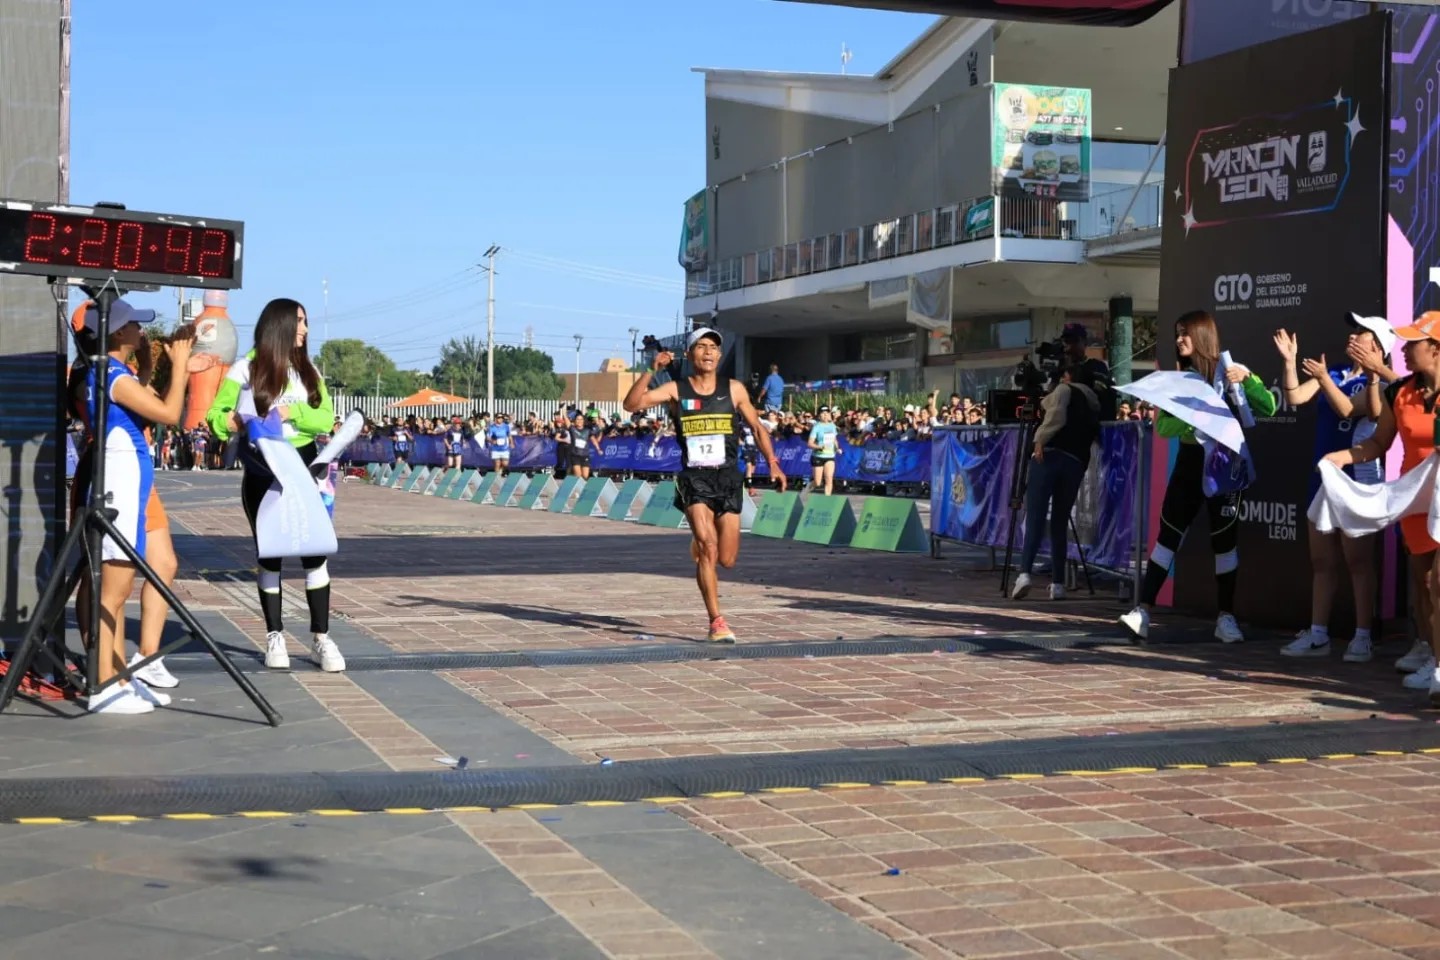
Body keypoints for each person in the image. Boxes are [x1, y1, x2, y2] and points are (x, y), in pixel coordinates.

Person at [1119, 311, 1278, 643]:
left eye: (1185, 333)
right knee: (1169, 536)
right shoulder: (1181, 380)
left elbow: (1268, 408)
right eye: (1177, 333)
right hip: (1190, 463)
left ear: (1203, 335)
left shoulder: (1232, 369)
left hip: (1225, 464)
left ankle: (1226, 618)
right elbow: (1163, 427)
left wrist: (1246, 380)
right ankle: (1143, 611)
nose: (1179, 339)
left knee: (1225, 542)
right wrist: (1196, 419)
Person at [207, 298, 345, 673]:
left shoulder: (308, 370)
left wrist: (289, 411)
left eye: (305, 321)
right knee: (269, 554)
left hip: (303, 465)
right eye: (299, 321)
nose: (304, 329)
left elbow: (325, 418)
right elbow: (215, 416)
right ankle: (275, 635)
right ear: (279, 324)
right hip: (262, 468)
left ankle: (321, 637)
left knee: (314, 552)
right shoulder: (244, 369)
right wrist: (238, 420)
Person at [623, 328, 785, 642]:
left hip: (727, 477)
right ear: (690, 354)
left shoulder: (734, 389)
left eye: (713, 347)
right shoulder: (675, 389)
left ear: (719, 356)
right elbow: (631, 404)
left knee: (727, 558)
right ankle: (717, 621)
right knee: (709, 550)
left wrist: (773, 464)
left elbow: (757, 427)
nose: (708, 352)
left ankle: (700, 542)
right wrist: (650, 369)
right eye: (701, 347)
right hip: (694, 477)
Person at [79, 300, 194, 714]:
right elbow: (169, 412)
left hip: (129, 481)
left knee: (120, 585)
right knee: (113, 588)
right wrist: (178, 365)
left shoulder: (118, 373)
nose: (141, 333)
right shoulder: (111, 375)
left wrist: (157, 364)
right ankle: (105, 684)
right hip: (119, 483)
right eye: (134, 328)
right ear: (115, 332)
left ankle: (118, 675)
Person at [1322, 312, 1440, 696]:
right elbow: (1377, 444)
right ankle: (1433, 656)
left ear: (1436, 350)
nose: (1404, 350)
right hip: (1414, 496)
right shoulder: (1400, 392)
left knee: (1438, 582)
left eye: (1413, 344)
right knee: (1423, 583)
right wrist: (1343, 457)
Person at [1273, 316, 1394, 662]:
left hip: (1358, 476)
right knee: (1321, 559)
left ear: (1378, 347)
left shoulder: (1381, 383)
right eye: (1352, 332)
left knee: (1358, 560)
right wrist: (1289, 363)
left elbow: (1350, 408)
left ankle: (1362, 636)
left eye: (1362, 333)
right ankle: (1318, 634)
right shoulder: (1337, 371)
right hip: (1322, 476)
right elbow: (1295, 396)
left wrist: (1325, 378)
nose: (1353, 336)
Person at [1012, 362, 1101, 602]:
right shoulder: (1094, 402)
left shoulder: (1065, 390)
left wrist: (1039, 440)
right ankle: (1058, 583)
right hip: (1075, 463)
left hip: (1049, 456)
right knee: (1060, 523)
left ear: (1069, 376)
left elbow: (1055, 415)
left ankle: (1024, 574)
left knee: (1036, 518)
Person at [807, 407, 841, 495]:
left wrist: (837, 448)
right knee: (817, 482)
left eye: (827, 413)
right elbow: (810, 443)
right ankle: (805, 492)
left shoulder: (832, 426)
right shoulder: (816, 427)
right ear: (819, 416)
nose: (825, 415)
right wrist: (819, 447)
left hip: (830, 456)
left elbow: (834, 439)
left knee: (829, 479)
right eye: (823, 413)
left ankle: (826, 500)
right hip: (818, 456)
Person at [567, 412, 601, 479]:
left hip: (585, 455)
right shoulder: (572, 429)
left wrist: (598, 449)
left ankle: (581, 486)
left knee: (585, 476)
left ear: (583, 421)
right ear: (575, 421)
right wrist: (563, 411)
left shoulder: (587, 430)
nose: (579, 421)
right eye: (577, 419)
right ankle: (577, 486)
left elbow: (593, 440)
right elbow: (566, 421)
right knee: (578, 475)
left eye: (581, 419)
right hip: (575, 455)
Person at [487, 412, 513, 477]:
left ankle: (503, 472)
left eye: (501, 418)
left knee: (505, 464)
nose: (500, 419)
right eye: (499, 418)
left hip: (505, 448)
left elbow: (509, 435)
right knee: (497, 464)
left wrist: (511, 443)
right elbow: (488, 437)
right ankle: (496, 478)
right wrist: (492, 441)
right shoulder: (492, 427)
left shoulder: (506, 426)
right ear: (495, 419)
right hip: (496, 449)